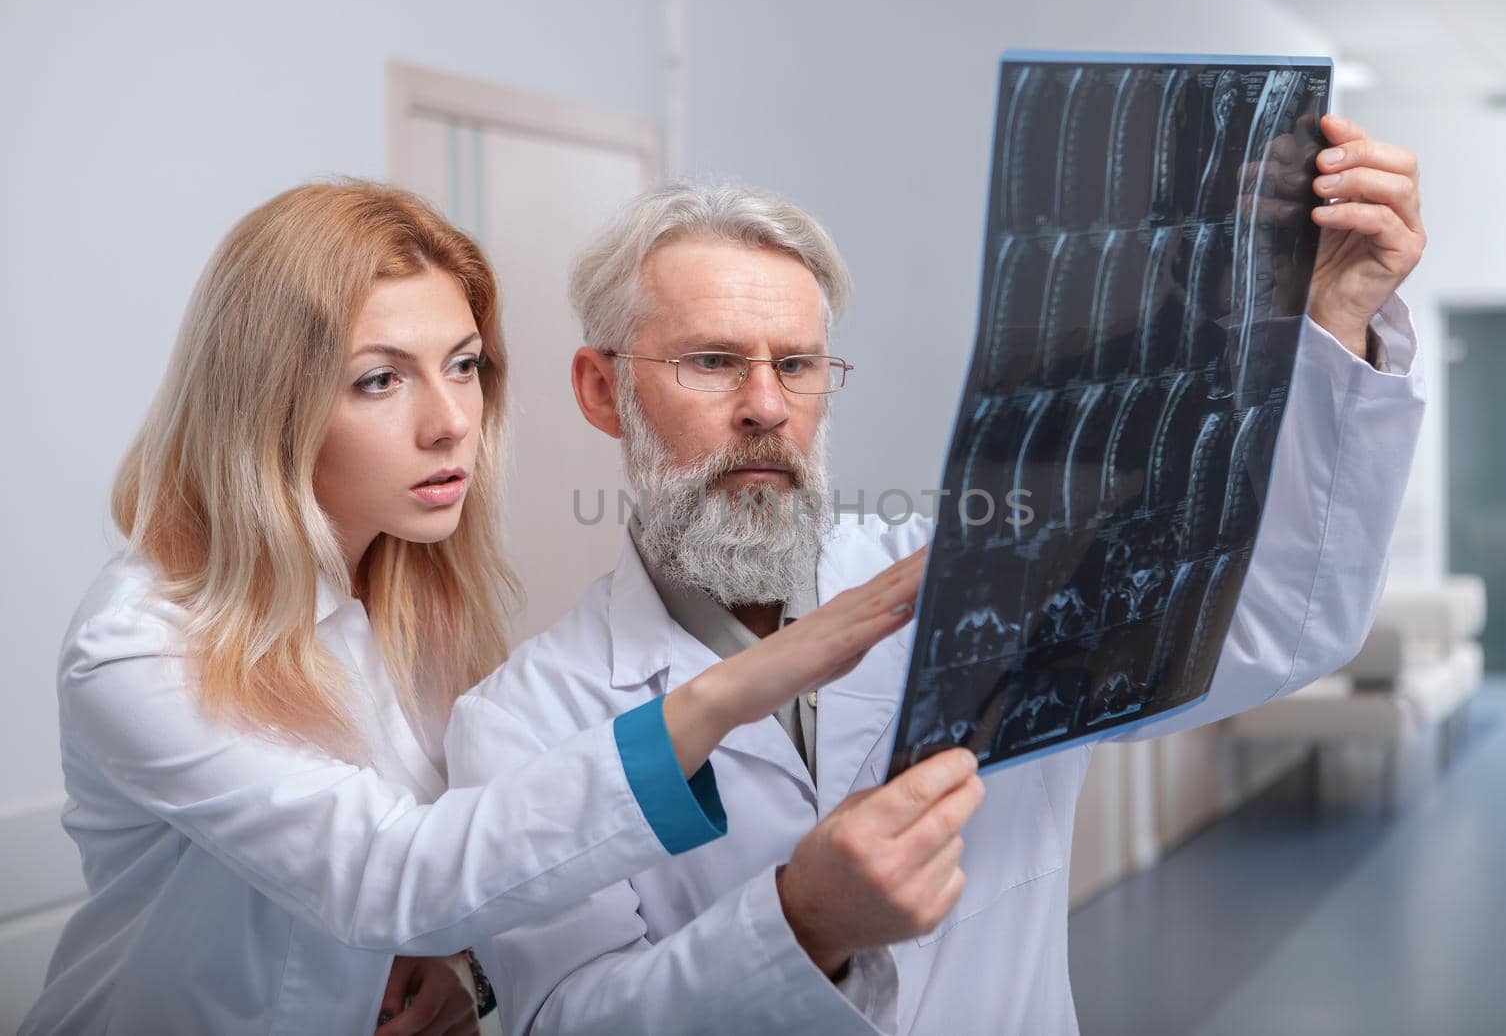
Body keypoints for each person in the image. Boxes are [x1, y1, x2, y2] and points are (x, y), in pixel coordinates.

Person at [445, 113, 1430, 1033]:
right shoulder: (524, 720)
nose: (765, 407)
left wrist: (1336, 318)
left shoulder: (984, 582)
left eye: (795, 364)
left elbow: (1273, 626)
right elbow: (565, 1016)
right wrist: (801, 924)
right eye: (710, 361)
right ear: (600, 389)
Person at [21, 181, 972, 1036]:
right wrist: (735, 688)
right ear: (267, 404)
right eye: (380, 377)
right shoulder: (141, 647)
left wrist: (463, 971)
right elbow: (390, 876)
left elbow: (465, 885)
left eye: (465, 365)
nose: (450, 421)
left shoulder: (418, 605)